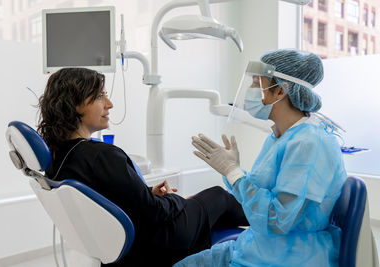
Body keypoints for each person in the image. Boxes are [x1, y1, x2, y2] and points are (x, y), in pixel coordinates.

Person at [37, 67, 248, 267]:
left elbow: (105, 198)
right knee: (219, 196)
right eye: (100, 96)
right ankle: (271, 226)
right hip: (158, 242)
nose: (109, 104)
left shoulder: (59, 157)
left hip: (126, 247)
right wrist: (176, 199)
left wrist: (149, 193)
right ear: (75, 104)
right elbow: (154, 211)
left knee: (210, 205)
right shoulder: (102, 155)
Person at [174, 49, 347, 267]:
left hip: (289, 256)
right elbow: (261, 195)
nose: (250, 90)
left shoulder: (309, 143)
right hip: (261, 246)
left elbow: (277, 219)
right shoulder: (280, 136)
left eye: (257, 83)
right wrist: (233, 170)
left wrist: (234, 173)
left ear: (280, 92)